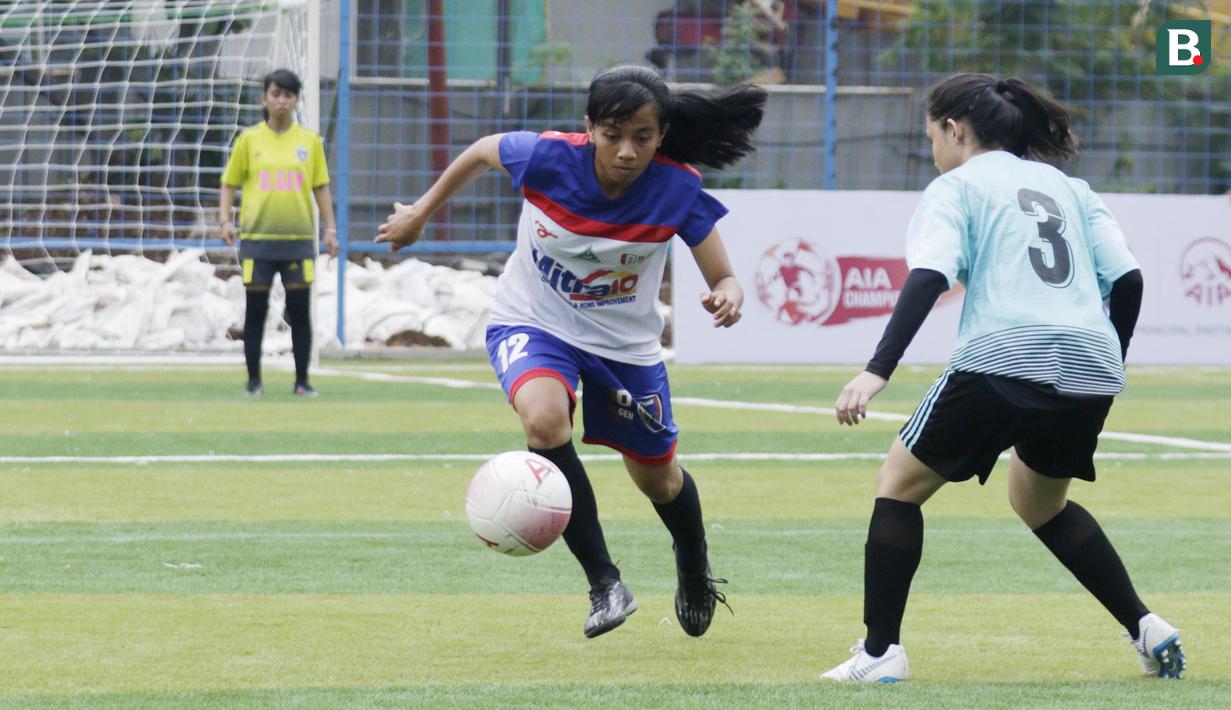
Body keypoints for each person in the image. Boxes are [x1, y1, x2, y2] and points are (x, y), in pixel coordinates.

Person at [376, 65, 766, 639]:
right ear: (589, 128)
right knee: (543, 420)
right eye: (613, 135)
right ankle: (604, 583)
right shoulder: (547, 158)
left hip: (624, 348)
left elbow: (724, 276)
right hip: (532, 322)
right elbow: (482, 151)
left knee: (658, 481)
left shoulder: (677, 188)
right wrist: (419, 213)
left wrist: (728, 296)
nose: (627, 151)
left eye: (643, 137)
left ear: (661, 135)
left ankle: (693, 565)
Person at [822, 73, 1185, 682]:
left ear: (954, 129)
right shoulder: (1071, 188)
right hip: (1091, 367)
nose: (934, 151)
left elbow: (929, 276)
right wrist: (1109, 359)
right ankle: (1146, 627)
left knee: (899, 486)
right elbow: (1129, 281)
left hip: (1003, 356)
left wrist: (875, 370)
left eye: (932, 137)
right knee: (1040, 504)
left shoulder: (955, 187)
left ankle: (880, 655)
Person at [219, 68, 338, 397]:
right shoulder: (249, 140)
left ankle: (302, 382)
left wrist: (330, 228)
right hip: (257, 242)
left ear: (297, 100)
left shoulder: (309, 142)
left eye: (288, 95)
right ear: (264, 99)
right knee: (255, 312)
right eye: (276, 94)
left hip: (298, 243)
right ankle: (254, 382)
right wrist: (225, 221)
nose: (282, 101)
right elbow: (229, 183)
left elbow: (321, 187)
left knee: (299, 312)